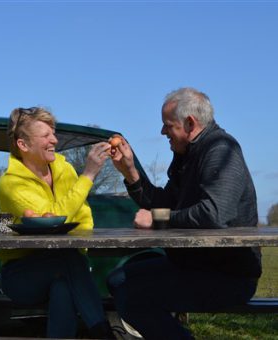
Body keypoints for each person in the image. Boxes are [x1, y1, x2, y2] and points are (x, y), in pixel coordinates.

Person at [107, 88, 262, 339]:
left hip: (227, 276)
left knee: (132, 299)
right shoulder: (186, 155)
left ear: (190, 123)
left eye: (167, 125)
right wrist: (130, 172)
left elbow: (214, 213)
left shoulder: (221, 150)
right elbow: (164, 201)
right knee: (116, 280)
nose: (162, 132)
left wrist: (157, 219)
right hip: (192, 265)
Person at [0, 107, 115, 339]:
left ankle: (101, 333)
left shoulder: (64, 169)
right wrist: (88, 175)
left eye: (54, 133)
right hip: (21, 275)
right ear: (23, 145)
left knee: (63, 287)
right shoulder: (10, 184)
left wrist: (63, 215)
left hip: (65, 266)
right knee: (68, 259)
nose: (54, 140)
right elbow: (52, 225)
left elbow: (81, 217)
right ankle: (103, 333)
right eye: (46, 135)